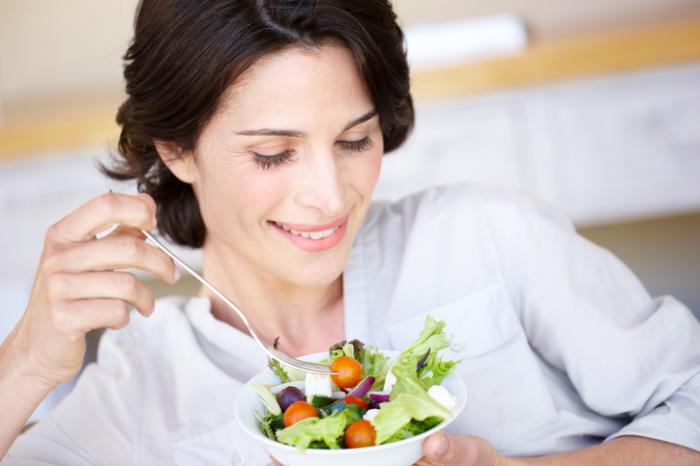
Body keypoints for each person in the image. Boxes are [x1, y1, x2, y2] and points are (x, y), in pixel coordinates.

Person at [1, 0, 699, 464]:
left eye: (355, 140)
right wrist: (26, 362)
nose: (331, 197)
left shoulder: (488, 237)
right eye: (273, 154)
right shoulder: (139, 391)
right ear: (175, 150)